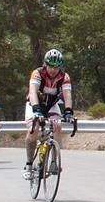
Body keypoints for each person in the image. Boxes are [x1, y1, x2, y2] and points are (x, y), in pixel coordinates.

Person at [23, 48, 74, 180]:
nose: (53, 70)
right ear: (46, 64)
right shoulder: (38, 73)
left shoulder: (64, 77)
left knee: (57, 126)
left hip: (51, 106)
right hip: (35, 104)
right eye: (50, 66)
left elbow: (67, 95)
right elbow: (33, 92)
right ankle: (28, 164)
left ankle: (53, 163)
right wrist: (36, 109)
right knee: (33, 130)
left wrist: (68, 111)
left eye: (56, 67)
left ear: (60, 67)